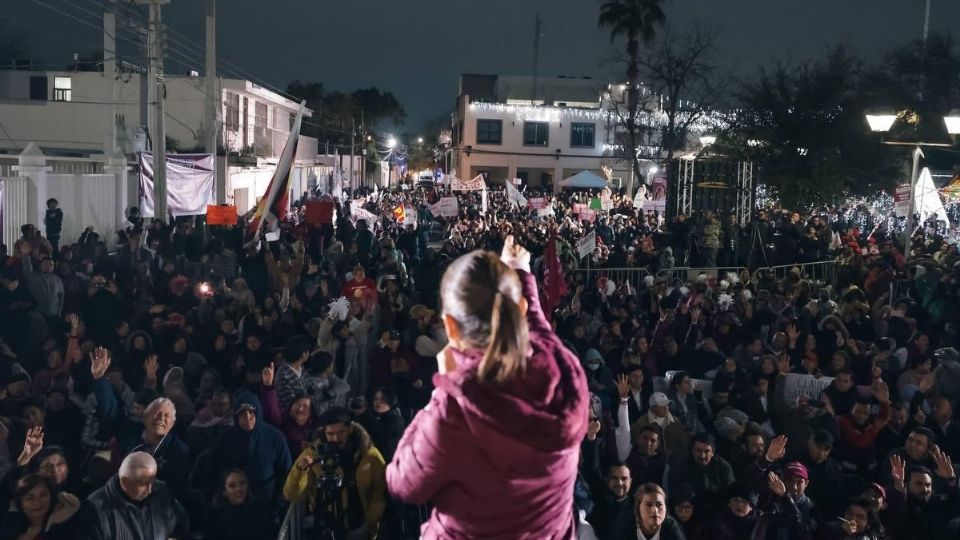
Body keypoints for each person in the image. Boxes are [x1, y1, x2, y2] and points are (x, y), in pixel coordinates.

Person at [386, 236, 589, 538]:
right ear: (517, 308)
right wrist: (520, 271)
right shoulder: (564, 369)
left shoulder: (454, 412)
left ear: (450, 327)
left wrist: (442, 391)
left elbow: (403, 481)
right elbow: (535, 323)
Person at [284, 407, 387, 539]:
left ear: (350, 428)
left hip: (359, 527)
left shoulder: (369, 454)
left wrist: (372, 518)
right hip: (325, 528)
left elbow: (381, 488)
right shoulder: (313, 454)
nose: (335, 438)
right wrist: (301, 469)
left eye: (341, 432)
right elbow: (291, 494)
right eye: (330, 434)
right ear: (324, 432)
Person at [77, 451, 188, 540]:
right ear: (125, 482)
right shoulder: (95, 507)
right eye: (143, 483)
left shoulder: (162, 491)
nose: (149, 490)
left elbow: (179, 525)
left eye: (152, 481)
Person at [0, 473, 80, 540]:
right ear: (20, 503)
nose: (38, 502)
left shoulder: (65, 529)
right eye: (30, 498)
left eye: (43, 495)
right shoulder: (9, 527)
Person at [204, 469, 276, 540]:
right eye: (232, 486)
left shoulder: (260, 510)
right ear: (224, 492)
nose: (238, 489)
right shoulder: (216, 518)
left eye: (242, 483)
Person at [608, 483, 686, 540]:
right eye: (648, 505)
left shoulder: (670, 525)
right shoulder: (625, 523)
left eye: (659, 505)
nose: (655, 510)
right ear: (638, 508)